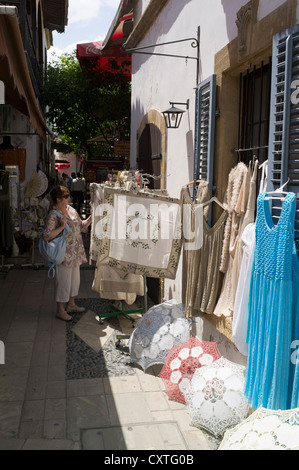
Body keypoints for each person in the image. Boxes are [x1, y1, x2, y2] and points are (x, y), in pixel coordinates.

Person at [42, 185, 92, 321]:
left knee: (74, 281)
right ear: (58, 199)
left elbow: (81, 226)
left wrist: (92, 216)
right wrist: (62, 227)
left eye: (68, 195)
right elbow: (46, 236)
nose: (69, 198)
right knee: (63, 282)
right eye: (66, 196)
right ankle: (60, 310)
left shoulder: (71, 209)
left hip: (75, 252)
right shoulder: (54, 215)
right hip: (63, 253)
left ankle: (71, 304)